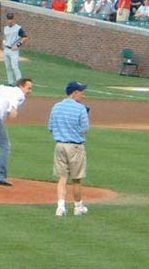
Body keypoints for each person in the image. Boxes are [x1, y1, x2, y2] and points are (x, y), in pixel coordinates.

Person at [48, 81, 90, 217]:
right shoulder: (80, 109)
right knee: (77, 179)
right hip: (75, 146)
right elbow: (85, 130)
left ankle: (60, 207)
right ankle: (78, 207)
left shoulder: (56, 106)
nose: (83, 94)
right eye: (81, 91)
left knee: (62, 177)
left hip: (59, 145)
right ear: (74, 93)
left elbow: (51, 127)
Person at [3, 13, 28, 87]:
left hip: (13, 50)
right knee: (8, 67)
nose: (9, 21)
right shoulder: (6, 28)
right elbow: (5, 37)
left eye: (11, 19)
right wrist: (4, 42)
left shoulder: (18, 28)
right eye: (8, 19)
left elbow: (25, 37)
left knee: (15, 66)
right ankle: (10, 82)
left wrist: (17, 45)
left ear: (13, 19)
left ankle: (20, 83)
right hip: (7, 48)